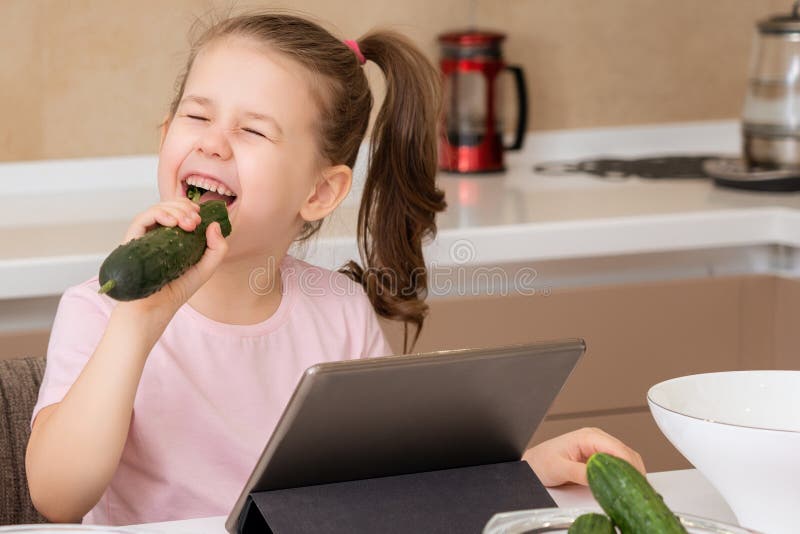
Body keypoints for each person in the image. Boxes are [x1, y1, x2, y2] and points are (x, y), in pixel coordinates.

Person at [25, 11, 645, 526]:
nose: (213, 142)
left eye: (253, 131)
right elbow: (57, 498)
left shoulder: (339, 313)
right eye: (197, 115)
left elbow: (385, 491)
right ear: (166, 134)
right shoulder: (101, 308)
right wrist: (137, 324)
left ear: (320, 192)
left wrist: (525, 470)